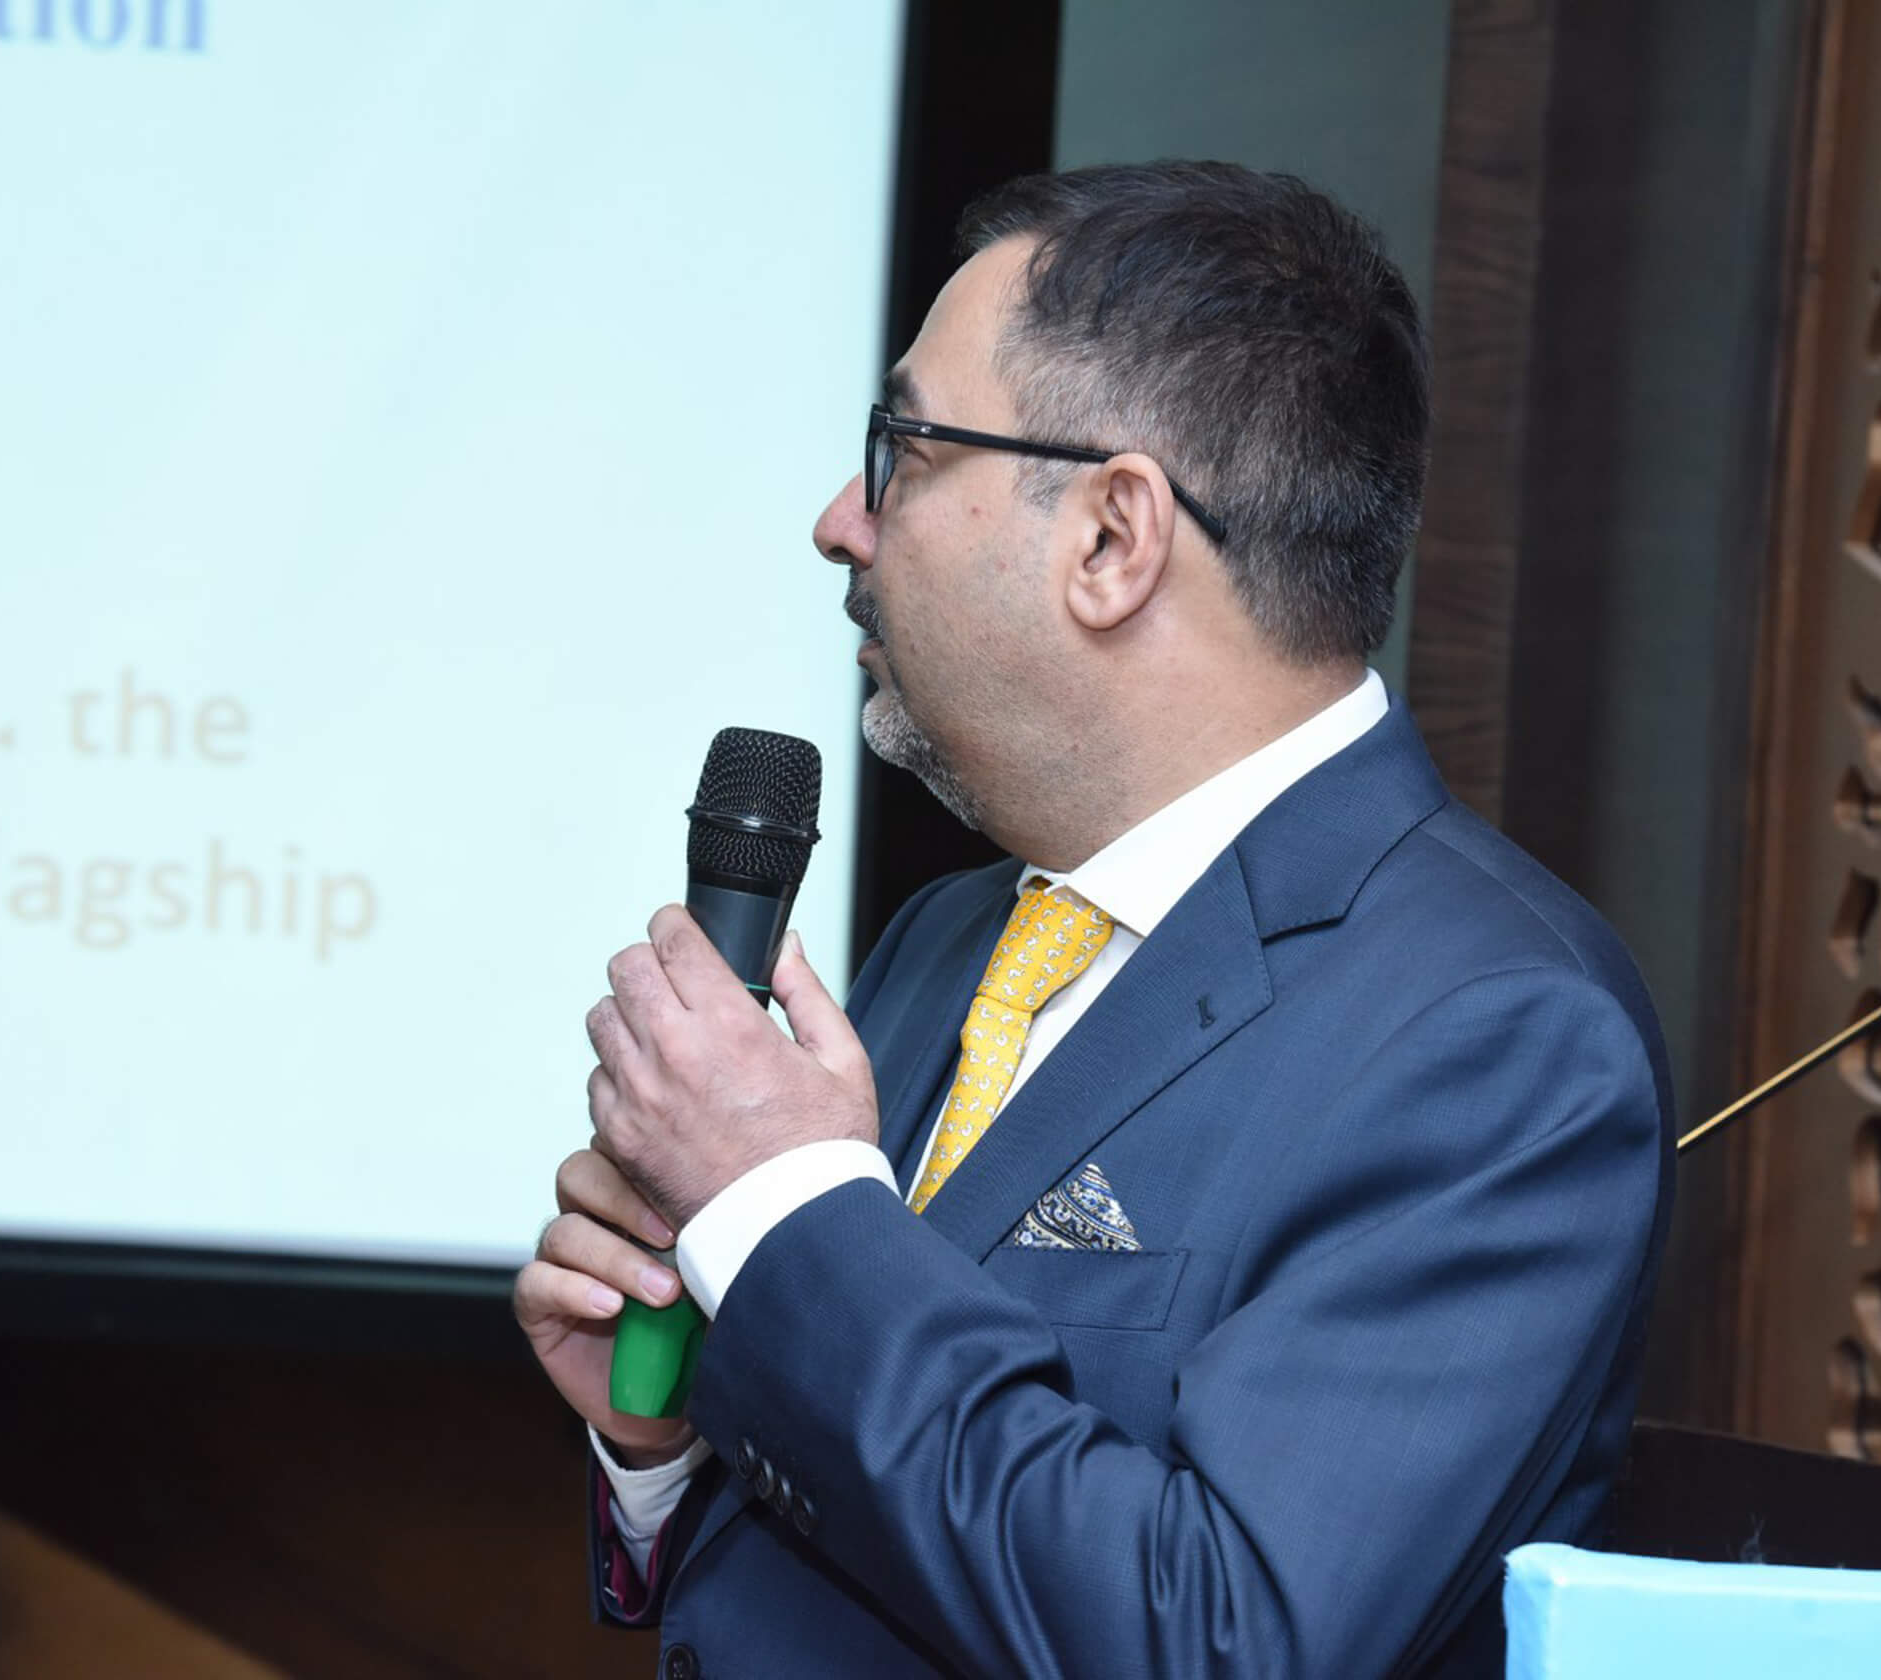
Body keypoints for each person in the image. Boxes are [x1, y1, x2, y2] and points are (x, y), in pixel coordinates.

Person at [514, 160, 1673, 1679]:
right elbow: (879, 1528)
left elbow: (1216, 1641)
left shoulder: (1501, 1039)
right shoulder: (950, 937)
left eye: (901, 449)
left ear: (1115, 538)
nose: (840, 523)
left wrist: (784, 1217)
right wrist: (666, 1445)